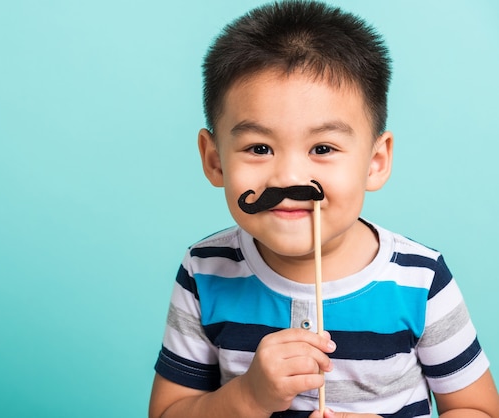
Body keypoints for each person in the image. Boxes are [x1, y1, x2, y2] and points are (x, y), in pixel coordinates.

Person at [148, 1, 499, 417]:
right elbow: (168, 412)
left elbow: (479, 410)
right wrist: (247, 396)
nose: (290, 178)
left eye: (323, 148)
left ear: (375, 161)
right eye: (259, 148)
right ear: (215, 160)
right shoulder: (205, 272)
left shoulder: (420, 280)